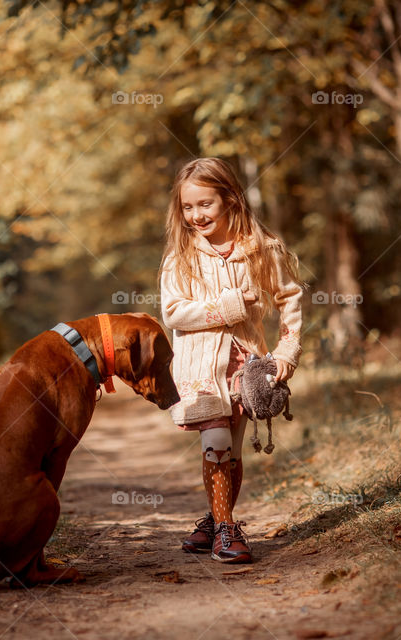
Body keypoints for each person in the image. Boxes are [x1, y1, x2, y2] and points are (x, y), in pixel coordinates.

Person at [159, 157, 304, 564]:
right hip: (198, 366)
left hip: (245, 364)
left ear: (230, 199)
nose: (196, 215)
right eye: (187, 207)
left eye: (205, 204)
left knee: (234, 451)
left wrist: (287, 351)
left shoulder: (262, 250)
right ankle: (226, 531)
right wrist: (232, 305)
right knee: (216, 443)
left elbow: (288, 298)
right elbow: (173, 313)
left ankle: (214, 516)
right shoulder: (180, 257)